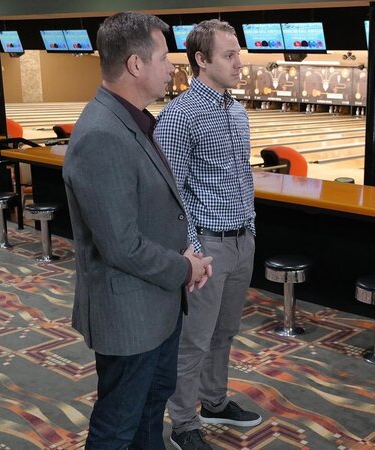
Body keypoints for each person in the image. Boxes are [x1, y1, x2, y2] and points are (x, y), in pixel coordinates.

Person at [63, 11, 213, 449]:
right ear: (135, 65)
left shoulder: (133, 120)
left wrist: (184, 258)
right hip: (129, 316)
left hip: (157, 307)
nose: (172, 68)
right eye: (164, 58)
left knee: (150, 412)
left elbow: (151, 212)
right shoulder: (101, 135)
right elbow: (120, 244)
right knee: (117, 425)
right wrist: (183, 269)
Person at [154, 19, 259, 450]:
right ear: (202, 59)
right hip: (208, 247)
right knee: (194, 340)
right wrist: (193, 252)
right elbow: (168, 194)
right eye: (229, 55)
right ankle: (183, 423)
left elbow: (240, 179)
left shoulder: (236, 110)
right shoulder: (179, 116)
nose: (239, 63)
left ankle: (214, 401)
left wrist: (249, 228)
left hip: (241, 241)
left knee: (225, 333)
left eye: (239, 54)